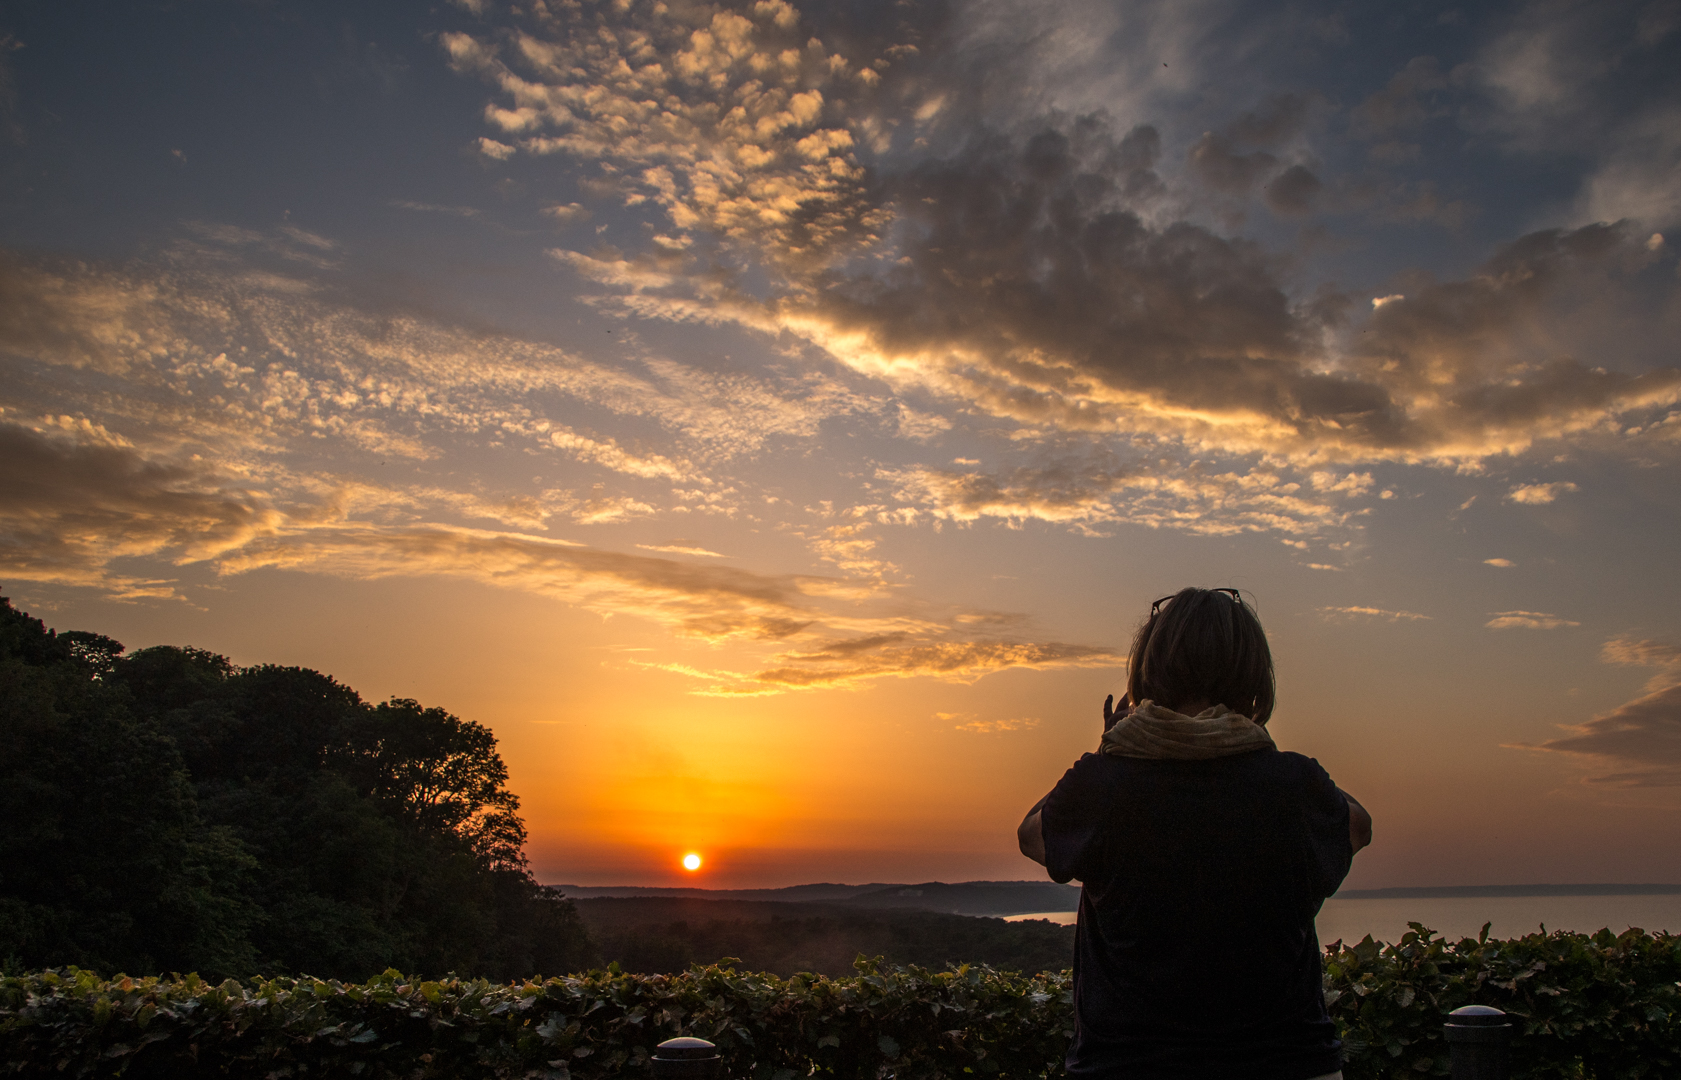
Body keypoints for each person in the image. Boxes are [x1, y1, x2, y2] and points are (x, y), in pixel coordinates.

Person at [1018, 587, 1373, 1080]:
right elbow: (1358, 825)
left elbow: (1033, 836)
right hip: (1287, 1064)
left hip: (1127, 1064)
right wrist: (1248, 747)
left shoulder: (1104, 785)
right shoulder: (1293, 786)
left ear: (1148, 669)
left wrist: (1110, 749)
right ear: (1253, 678)